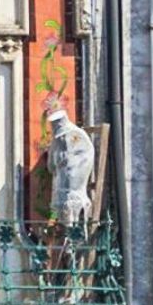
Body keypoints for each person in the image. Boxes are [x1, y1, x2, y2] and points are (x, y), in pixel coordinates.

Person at [42, 93, 95, 225]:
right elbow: (51, 167)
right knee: (53, 226)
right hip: (57, 200)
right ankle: (54, 232)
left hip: (74, 199)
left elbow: (74, 170)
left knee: (74, 233)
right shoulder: (57, 140)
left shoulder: (75, 136)